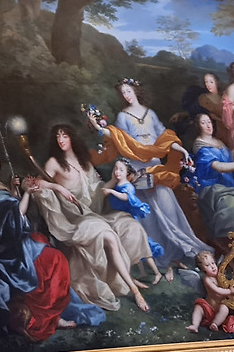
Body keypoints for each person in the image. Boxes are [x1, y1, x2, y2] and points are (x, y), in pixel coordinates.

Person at [0, 148, 105, 341]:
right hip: (9, 251)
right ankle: (50, 316)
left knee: (49, 253)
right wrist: (26, 193)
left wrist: (14, 190)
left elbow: (9, 214)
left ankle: (55, 314)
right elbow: (15, 216)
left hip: (12, 243)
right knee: (55, 261)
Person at [34, 123, 152, 312]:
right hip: (73, 219)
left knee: (130, 226)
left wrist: (113, 180)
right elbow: (37, 184)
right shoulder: (54, 163)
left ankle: (124, 277)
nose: (60, 140)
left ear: (72, 138)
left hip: (91, 214)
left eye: (64, 136)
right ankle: (134, 290)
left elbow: (96, 193)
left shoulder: (84, 162)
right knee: (109, 236)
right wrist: (58, 188)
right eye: (57, 137)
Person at [108, 79, 212, 273]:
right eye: (123, 93)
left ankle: (178, 252)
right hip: (137, 167)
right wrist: (131, 172)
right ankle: (160, 257)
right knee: (148, 216)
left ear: (136, 91)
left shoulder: (150, 113)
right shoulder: (123, 116)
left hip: (155, 167)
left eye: (128, 91)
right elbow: (123, 144)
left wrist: (181, 149)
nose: (126, 95)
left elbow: (165, 138)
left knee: (168, 209)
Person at [103, 159, 165, 284]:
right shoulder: (117, 183)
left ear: (127, 173)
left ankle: (157, 273)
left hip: (129, 218)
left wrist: (112, 191)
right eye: (116, 169)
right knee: (136, 248)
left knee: (143, 246)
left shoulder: (128, 186)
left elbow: (126, 197)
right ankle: (142, 272)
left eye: (121, 170)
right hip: (120, 217)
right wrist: (112, 184)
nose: (117, 172)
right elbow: (103, 190)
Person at [186, 251, 234, 333]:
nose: (212, 267)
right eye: (207, 265)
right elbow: (217, 290)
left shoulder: (220, 275)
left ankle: (215, 324)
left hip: (220, 307)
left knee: (225, 309)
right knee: (198, 308)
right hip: (209, 307)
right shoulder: (207, 279)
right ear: (203, 269)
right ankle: (195, 325)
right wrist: (230, 291)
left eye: (213, 263)